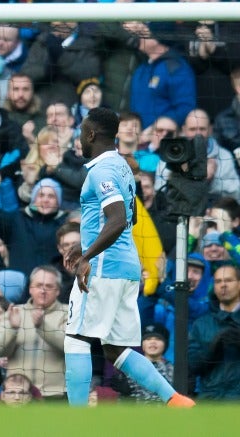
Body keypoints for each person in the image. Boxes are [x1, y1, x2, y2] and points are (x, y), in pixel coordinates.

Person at [63, 107, 194, 407]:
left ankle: (75, 422)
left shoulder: (103, 171)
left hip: (103, 268)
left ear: (92, 134)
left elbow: (119, 218)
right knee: (114, 349)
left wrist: (88, 256)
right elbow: (129, 220)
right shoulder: (122, 166)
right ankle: (175, 400)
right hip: (126, 268)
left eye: (82, 132)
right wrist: (85, 246)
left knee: (76, 338)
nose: (80, 138)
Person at [0, 265, 69, 399]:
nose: (43, 290)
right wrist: (12, 329)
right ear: (30, 288)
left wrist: (42, 326)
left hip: (54, 395)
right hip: (17, 396)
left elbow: (68, 346)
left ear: (58, 291)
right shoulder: (15, 311)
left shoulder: (67, 313)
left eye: (49, 286)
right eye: (38, 285)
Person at [188, 264, 240, 400]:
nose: (223, 285)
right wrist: (212, 350)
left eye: (228, 280)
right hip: (211, 401)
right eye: (218, 281)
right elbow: (192, 366)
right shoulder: (201, 324)